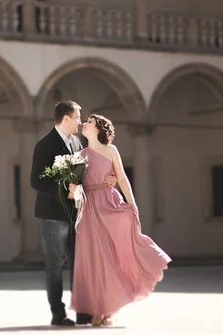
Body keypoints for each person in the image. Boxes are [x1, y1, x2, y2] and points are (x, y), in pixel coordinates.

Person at [69, 114, 172, 326]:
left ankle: (106, 311)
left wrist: (132, 203)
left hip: (109, 205)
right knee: (95, 261)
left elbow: (122, 177)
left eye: (89, 122)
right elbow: (74, 185)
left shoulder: (111, 150)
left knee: (111, 257)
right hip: (89, 210)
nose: (84, 124)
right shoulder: (79, 154)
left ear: (98, 129)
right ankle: (100, 311)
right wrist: (73, 189)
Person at [30, 101, 117, 326]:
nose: (81, 121)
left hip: (77, 214)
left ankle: (83, 312)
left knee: (79, 263)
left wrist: (110, 179)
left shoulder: (77, 142)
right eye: (78, 117)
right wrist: (64, 192)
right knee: (55, 264)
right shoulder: (45, 144)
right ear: (66, 119)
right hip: (52, 214)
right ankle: (58, 314)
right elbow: (37, 180)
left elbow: (86, 176)